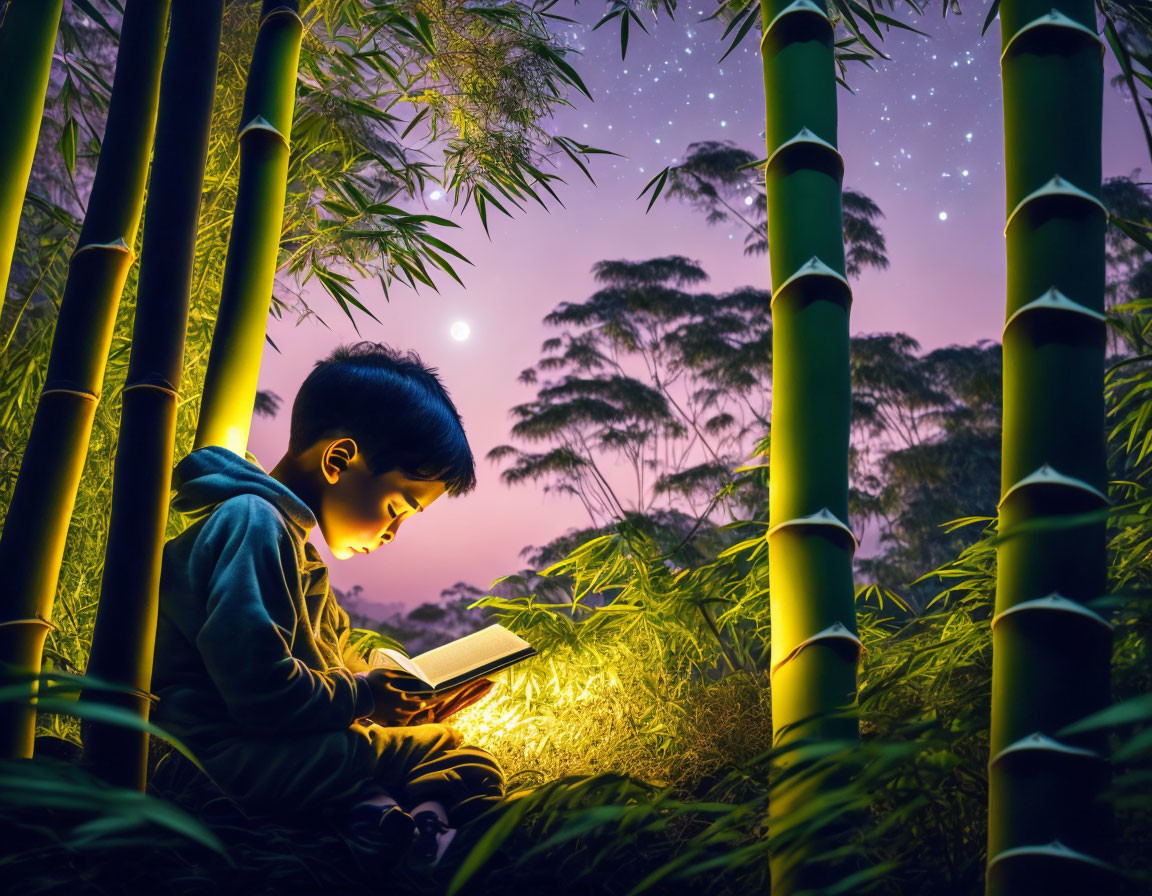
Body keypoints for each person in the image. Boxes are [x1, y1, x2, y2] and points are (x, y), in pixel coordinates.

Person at [150, 342, 502, 865]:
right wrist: (365, 698)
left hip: (258, 752)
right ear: (338, 459)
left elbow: (330, 678)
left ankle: (382, 816)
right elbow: (262, 696)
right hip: (214, 761)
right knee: (451, 753)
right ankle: (420, 831)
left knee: (423, 737)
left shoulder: (290, 547)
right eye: (395, 509)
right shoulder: (251, 523)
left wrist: (401, 706)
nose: (391, 534)